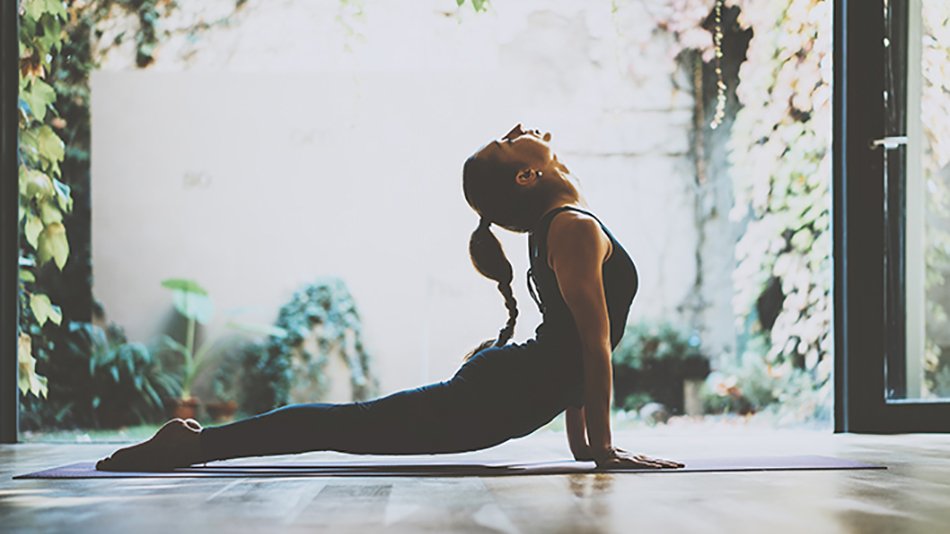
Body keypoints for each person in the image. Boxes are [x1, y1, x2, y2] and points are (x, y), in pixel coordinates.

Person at [96, 124, 684, 472]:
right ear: (526, 175)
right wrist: (602, 448)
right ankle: (194, 444)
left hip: (509, 392)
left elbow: (575, 347)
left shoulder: (562, 225)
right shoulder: (571, 227)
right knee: (346, 426)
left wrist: (587, 447)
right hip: (499, 397)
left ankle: (196, 443)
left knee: (350, 425)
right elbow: (590, 345)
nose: (522, 131)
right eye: (509, 141)